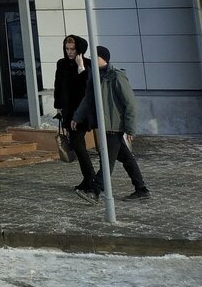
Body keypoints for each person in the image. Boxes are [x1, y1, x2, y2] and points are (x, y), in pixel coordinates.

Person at [72, 45, 150, 203]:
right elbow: (88, 99)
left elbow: (130, 104)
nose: (92, 59)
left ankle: (95, 191)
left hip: (115, 125)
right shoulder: (94, 76)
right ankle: (141, 189)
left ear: (103, 58)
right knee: (127, 159)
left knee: (107, 161)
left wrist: (130, 128)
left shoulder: (116, 76)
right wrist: (77, 117)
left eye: (95, 56)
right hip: (104, 125)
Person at [52, 34, 96, 192]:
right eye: (67, 49)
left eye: (73, 49)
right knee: (77, 145)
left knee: (77, 144)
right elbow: (58, 86)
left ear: (79, 49)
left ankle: (91, 178)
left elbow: (86, 89)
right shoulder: (61, 64)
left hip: (82, 112)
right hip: (68, 111)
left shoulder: (88, 64)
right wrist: (58, 106)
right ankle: (88, 178)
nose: (70, 52)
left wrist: (80, 68)